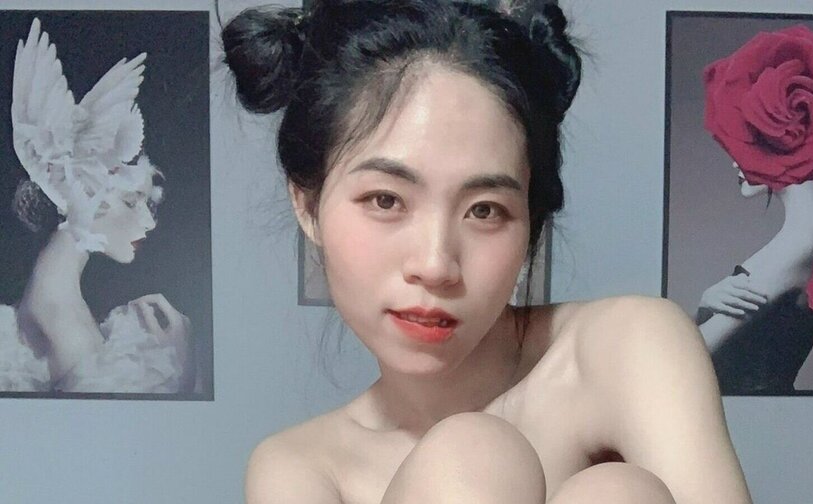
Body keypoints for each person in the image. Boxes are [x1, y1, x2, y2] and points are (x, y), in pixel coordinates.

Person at [222, 1, 752, 502]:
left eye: (484, 210)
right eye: (386, 200)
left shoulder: (621, 351)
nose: (435, 265)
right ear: (308, 204)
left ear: (531, 220)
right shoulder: (303, 468)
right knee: (472, 456)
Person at [0, 18, 193, 393]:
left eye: (149, 205)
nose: (150, 223)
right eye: (131, 200)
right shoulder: (65, 323)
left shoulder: (58, 301)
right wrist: (181, 372)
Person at [695, 163, 813, 393]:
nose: (735, 162)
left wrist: (702, 305)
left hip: (747, 412)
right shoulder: (810, 238)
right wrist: (705, 303)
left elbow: (686, 357)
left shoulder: (803, 246)